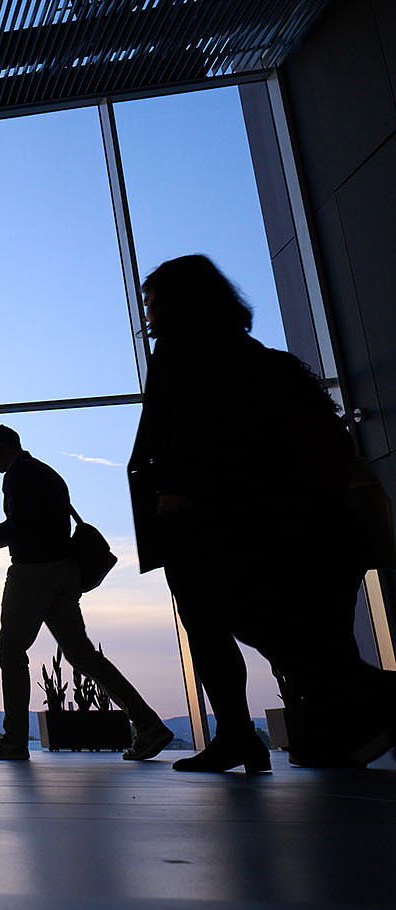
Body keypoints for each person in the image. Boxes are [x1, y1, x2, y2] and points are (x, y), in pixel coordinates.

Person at [130, 254, 395, 771]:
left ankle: (244, 736)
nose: (149, 313)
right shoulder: (256, 357)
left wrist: (186, 494)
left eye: (154, 302)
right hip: (306, 520)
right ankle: (329, 737)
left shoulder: (184, 357)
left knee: (223, 621)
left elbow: (196, 437)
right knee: (302, 629)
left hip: (221, 520)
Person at [0, 423, 173, 762]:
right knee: (83, 656)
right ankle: (149, 725)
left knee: (11, 650)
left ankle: (14, 741)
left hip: (34, 572)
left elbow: (22, 525)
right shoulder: (48, 473)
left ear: (3, 446)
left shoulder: (18, 475)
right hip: (66, 572)